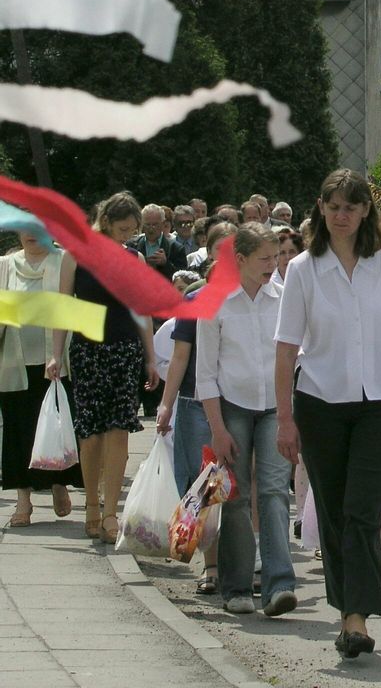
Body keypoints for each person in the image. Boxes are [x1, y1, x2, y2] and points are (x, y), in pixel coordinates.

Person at [274, 169, 381, 659]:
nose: (342, 215)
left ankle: (356, 616)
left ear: (365, 213)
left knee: (362, 512)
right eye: (334, 206)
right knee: (334, 514)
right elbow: (286, 348)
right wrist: (284, 418)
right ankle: (347, 613)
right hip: (320, 403)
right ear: (321, 207)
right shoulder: (303, 270)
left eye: (351, 208)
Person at [197, 224, 297, 618]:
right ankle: (236, 587)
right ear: (239, 260)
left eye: (276, 258)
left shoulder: (284, 296)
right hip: (232, 407)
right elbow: (205, 374)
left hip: (275, 406)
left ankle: (279, 585)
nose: (274, 266)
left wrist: (292, 414)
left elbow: (295, 355)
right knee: (235, 497)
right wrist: (217, 429)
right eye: (265, 259)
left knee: (274, 492)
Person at [60, 192, 158, 544]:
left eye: (132, 230)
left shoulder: (134, 258)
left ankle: (111, 512)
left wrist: (150, 356)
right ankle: (90, 505)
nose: (126, 236)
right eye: (121, 228)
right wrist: (56, 355)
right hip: (87, 351)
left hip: (124, 351)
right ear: (104, 222)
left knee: (119, 431)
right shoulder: (75, 255)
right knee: (90, 434)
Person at [157, 220, 236, 596]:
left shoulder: (259, 297)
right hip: (193, 403)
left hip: (239, 403)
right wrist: (166, 405)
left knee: (238, 487)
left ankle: (244, 563)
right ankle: (213, 565)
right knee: (202, 487)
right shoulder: (193, 300)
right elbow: (179, 358)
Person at [0, 230, 80, 527]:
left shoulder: (63, 262)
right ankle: (24, 500)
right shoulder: (5, 265)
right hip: (14, 363)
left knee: (56, 429)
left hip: (58, 362)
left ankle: (59, 484)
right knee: (18, 431)